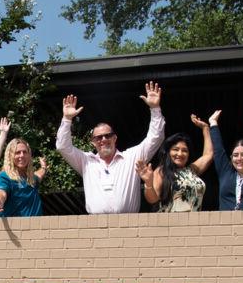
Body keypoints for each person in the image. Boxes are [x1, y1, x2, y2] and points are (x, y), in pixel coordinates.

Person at [55, 82, 165, 214]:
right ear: (93, 142)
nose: (103, 140)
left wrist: (155, 108)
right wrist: (67, 119)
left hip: (129, 226)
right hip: (96, 228)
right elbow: (62, 146)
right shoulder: (85, 161)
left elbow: (156, 137)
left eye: (108, 136)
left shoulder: (132, 158)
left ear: (115, 138)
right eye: (98, 137)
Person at [137, 114, 213, 212]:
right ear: (168, 152)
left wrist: (205, 128)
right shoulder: (162, 171)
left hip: (194, 224)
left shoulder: (191, 170)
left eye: (185, 150)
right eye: (175, 149)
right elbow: (152, 199)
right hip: (170, 225)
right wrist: (148, 182)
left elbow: (208, 155)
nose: (180, 154)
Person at [0, 138, 48, 217]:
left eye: (24, 152)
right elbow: (1, 191)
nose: (22, 155)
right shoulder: (4, 177)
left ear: (29, 155)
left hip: (37, 227)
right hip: (16, 228)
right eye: (17, 153)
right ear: (10, 155)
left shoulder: (31, 178)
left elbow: (39, 175)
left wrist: (44, 167)